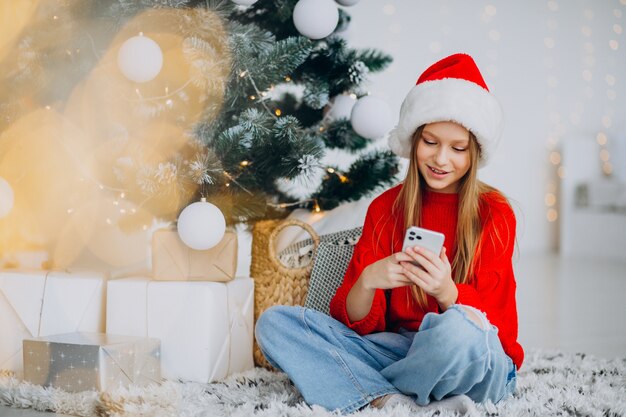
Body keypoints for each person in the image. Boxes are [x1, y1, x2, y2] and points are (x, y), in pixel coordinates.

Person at [255, 53, 523, 416]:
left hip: (472, 356)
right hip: (399, 349)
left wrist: (448, 293)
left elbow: (499, 329)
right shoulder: (385, 208)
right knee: (275, 324)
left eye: (458, 148)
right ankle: (402, 400)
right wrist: (368, 280)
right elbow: (354, 323)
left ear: (474, 153)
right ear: (413, 141)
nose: (441, 159)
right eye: (430, 142)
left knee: (459, 331)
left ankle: (368, 387)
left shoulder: (494, 212)